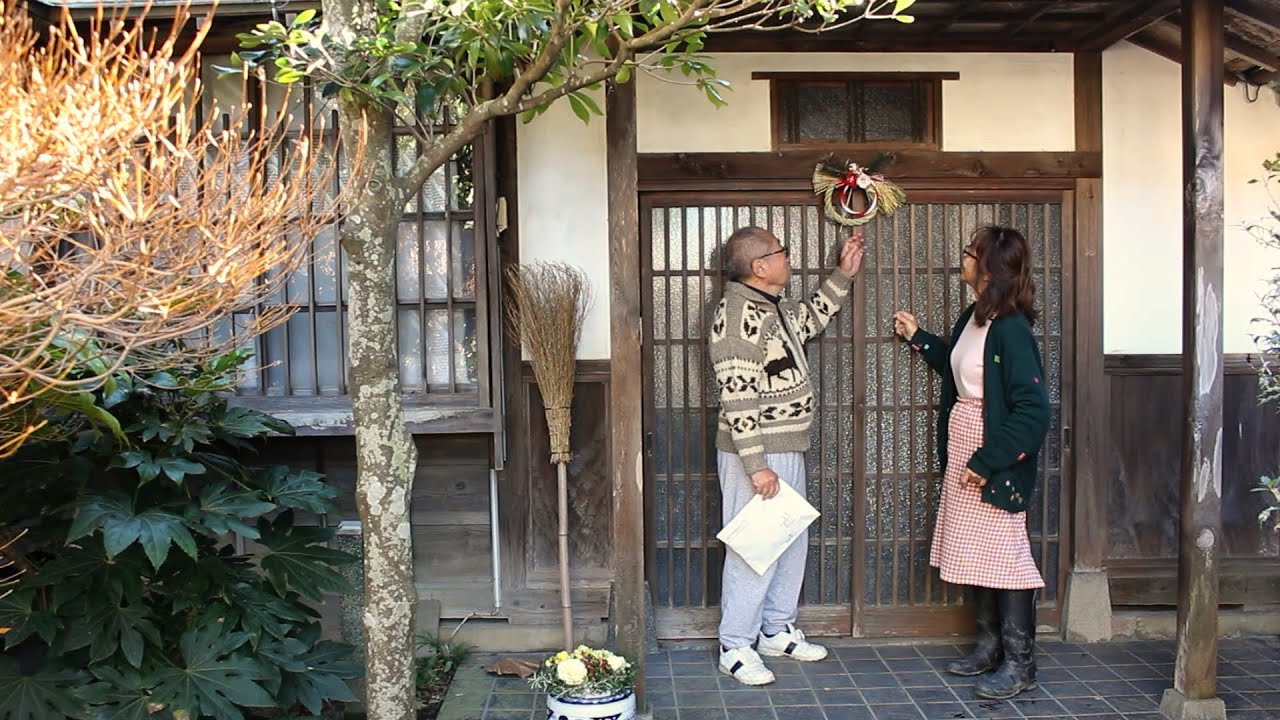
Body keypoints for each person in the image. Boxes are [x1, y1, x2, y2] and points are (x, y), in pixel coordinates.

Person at [893, 225, 1051, 700]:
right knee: (978, 552)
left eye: (968, 254)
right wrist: (918, 337)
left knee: (1006, 556)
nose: (961, 260)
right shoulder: (974, 316)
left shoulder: (1012, 328)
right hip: (967, 444)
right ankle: (989, 647)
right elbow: (959, 369)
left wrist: (988, 461)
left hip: (991, 454)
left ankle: (1021, 662)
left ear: (989, 268)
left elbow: (1032, 411)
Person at [708, 226, 864, 686]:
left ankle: (775, 629)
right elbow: (737, 399)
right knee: (754, 548)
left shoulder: (769, 307)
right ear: (760, 266)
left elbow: (809, 319)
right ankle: (735, 644)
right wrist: (756, 466)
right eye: (781, 252)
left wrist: (842, 274)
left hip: (786, 445)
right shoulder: (737, 315)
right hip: (756, 454)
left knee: (788, 539)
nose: (787, 258)